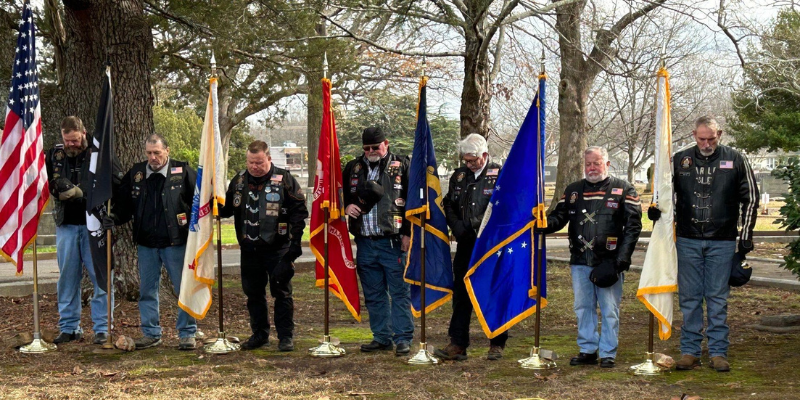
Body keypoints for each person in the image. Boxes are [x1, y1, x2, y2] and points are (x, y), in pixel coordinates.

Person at [648, 115, 759, 372]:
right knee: (690, 297)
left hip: (722, 239)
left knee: (718, 298)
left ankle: (719, 351)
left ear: (719, 133)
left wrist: (745, 236)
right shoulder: (680, 159)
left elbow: (751, 198)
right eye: (701, 138)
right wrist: (656, 210)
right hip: (687, 239)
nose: (706, 143)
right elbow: (662, 192)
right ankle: (690, 350)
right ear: (693, 134)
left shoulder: (735, 158)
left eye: (711, 138)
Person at [540, 146, 642, 368]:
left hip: (609, 262)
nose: (592, 168)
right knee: (583, 307)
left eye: (597, 163)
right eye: (588, 164)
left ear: (607, 163)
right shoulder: (573, 190)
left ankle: (608, 352)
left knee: (609, 310)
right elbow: (559, 217)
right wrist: (543, 224)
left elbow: (633, 227)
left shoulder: (624, 189)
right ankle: (587, 349)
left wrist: (621, 261)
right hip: (579, 260)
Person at [219, 140, 307, 352]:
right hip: (249, 249)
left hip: (278, 249)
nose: (254, 167)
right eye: (251, 162)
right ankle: (260, 335)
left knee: (282, 293)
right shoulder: (239, 180)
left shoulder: (284, 179)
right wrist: (211, 199)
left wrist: (295, 243)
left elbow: (299, 211)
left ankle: (285, 336)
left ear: (269, 159)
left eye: (259, 162)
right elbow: (227, 208)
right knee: (253, 294)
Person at [116, 134, 198, 350]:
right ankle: (151, 333)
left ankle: (187, 333)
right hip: (146, 244)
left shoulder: (183, 172)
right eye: (149, 153)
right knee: (147, 290)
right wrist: (112, 218)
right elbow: (123, 205)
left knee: (183, 288)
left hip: (175, 243)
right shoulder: (136, 173)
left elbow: (198, 203)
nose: (153, 157)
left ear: (167, 151)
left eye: (157, 153)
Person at [342, 126, 413, 356]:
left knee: (399, 292)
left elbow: (413, 203)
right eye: (367, 148)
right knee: (373, 293)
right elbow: (343, 195)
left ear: (386, 143)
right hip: (364, 241)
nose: (371, 151)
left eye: (376, 146)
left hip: (392, 240)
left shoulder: (402, 165)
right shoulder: (353, 168)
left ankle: (403, 337)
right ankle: (381, 336)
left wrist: (408, 233)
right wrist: (347, 205)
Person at [434, 134, 504, 361]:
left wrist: (475, 225)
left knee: (492, 291)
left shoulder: (499, 174)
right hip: (465, 241)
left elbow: (505, 207)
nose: (469, 164)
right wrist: (457, 226)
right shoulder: (459, 176)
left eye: (473, 160)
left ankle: (496, 343)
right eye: (466, 160)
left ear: (484, 154)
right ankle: (458, 343)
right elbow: (448, 204)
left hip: (490, 244)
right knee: (461, 293)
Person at [46, 116, 111, 345]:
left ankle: (103, 327)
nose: (71, 145)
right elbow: (43, 181)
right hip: (66, 224)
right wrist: (57, 188)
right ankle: (69, 326)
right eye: (67, 141)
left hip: (93, 224)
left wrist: (83, 191)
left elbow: (114, 180)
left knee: (100, 276)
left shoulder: (99, 151)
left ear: (83, 133)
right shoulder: (55, 154)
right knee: (67, 278)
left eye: (75, 140)